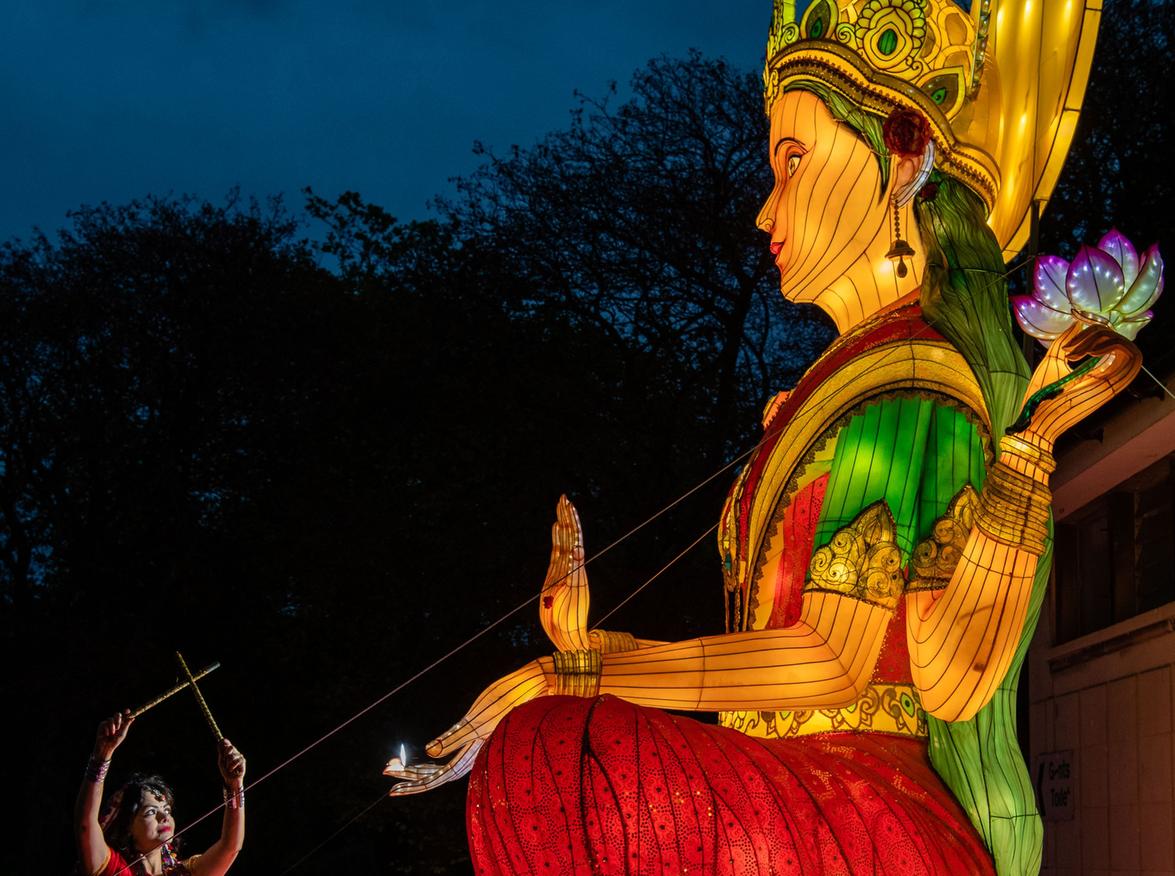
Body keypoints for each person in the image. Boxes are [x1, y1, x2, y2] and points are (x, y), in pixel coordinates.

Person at [386, 2, 1137, 873]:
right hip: (794, 781)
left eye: (793, 160)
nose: (764, 210)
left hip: (860, 802)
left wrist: (582, 675)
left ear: (901, 156)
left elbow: (836, 661)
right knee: (555, 749)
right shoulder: (839, 385)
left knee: (554, 753)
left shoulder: (908, 383)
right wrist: (592, 651)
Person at [74, 711, 246, 876]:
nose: (164, 816)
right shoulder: (114, 869)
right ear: (128, 828)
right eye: (151, 812)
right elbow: (85, 825)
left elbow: (230, 847)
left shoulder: (185, 873)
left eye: (166, 809)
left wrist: (234, 785)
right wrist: (102, 755)